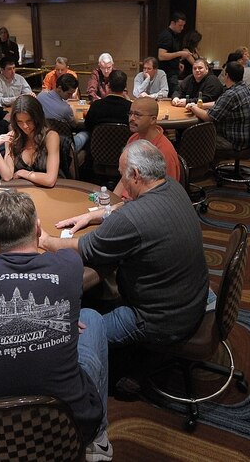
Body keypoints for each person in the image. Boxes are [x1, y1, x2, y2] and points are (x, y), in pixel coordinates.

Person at [0, 191, 110, 459]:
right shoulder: (69, 264)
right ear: (38, 229)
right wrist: (65, 323)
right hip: (67, 430)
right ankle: (97, 442)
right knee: (93, 319)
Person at [40, 141, 209, 347]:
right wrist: (93, 216)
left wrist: (46, 240)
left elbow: (83, 248)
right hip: (193, 299)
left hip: (159, 320)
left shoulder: (130, 220)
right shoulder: (171, 186)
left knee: (68, 331)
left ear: (136, 174)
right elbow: (130, 204)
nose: (122, 181)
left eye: (123, 174)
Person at [117, 96, 180, 198]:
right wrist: (112, 202)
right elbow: (124, 178)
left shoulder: (164, 152)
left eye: (137, 115)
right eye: (130, 113)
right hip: (128, 201)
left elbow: (166, 194)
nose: (131, 118)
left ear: (153, 120)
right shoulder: (133, 139)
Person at [0, 94, 60, 187]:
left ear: (37, 118)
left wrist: (24, 173)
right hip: (22, 192)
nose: (25, 126)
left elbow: (50, 180)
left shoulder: (51, 137)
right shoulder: (13, 137)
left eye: (29, 121)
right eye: (20, 122)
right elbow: (7, 176)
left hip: (49, 192)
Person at [188, 60, 250, 150]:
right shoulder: (245, 87)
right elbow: (220, 103)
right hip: (246, 137)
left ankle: (197, 162)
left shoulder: (230, 94)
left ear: (227, 75)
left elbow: (209, 118)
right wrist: (201, 105)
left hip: (232, 141)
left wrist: (192, 107)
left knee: (192, 136)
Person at [39, 73, 89, 151]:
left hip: (43, 140)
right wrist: (74, 112)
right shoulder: (65, 108)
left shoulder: (40, 96)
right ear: (59, 88)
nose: (70, 96)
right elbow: (75, 125)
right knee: (87, 132)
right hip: (65, 145)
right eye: (69, 93)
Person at [157, 11, 192, 96]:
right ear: (173, 23)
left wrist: (178, 62)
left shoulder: (175, 35)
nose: (182, 28)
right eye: (180, 25)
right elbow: (161, 56)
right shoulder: (166, 35)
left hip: (173, 72)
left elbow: (171, 52)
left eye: (183, 25)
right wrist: (180, 53)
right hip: (167, 74)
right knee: (173, 95)